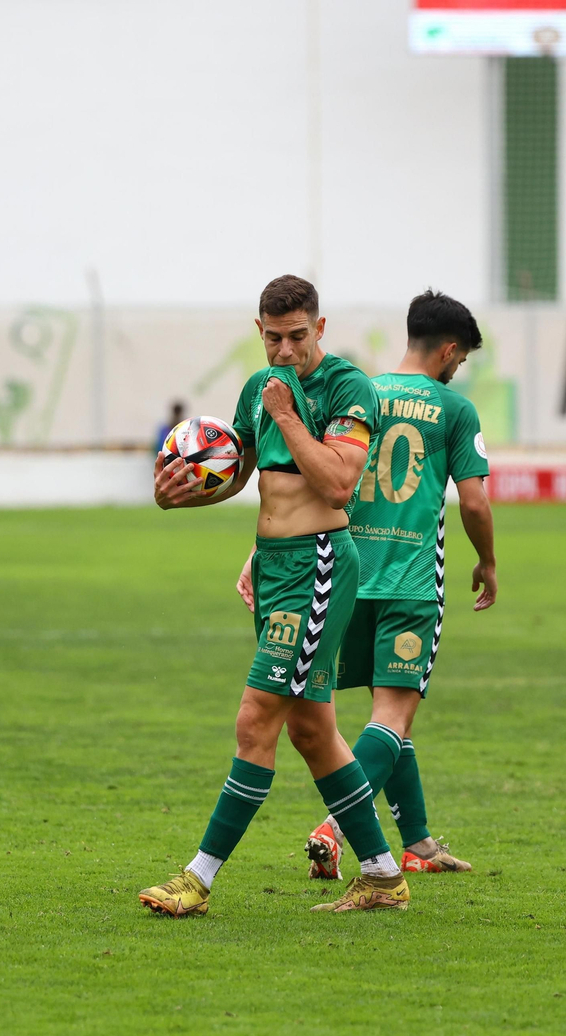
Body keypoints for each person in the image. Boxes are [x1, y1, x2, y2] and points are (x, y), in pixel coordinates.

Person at [139, 274, 410, 916]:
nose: (283, 351)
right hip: (280, 567)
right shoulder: (258, 388)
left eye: (296, 337)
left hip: (319, 565)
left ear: (319, 329)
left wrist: (289, 414)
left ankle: (196, 880)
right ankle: (381, 876)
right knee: (313, 731)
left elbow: (340, 483)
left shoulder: (348, 388)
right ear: (257, 331)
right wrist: (178, 492)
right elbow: (239, 474)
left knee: (255, 718)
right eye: (271, 338)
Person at [268, 289, 496, 880]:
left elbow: (308, 479)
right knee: (391, 718)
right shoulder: (453, 407)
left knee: (388, 721)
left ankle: (417, 842)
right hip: (411, 578)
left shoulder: (359, 392)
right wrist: (488, 562)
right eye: (462, 360)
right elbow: (473, 502)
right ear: (449, 350)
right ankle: (336, 825)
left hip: (343, 573)